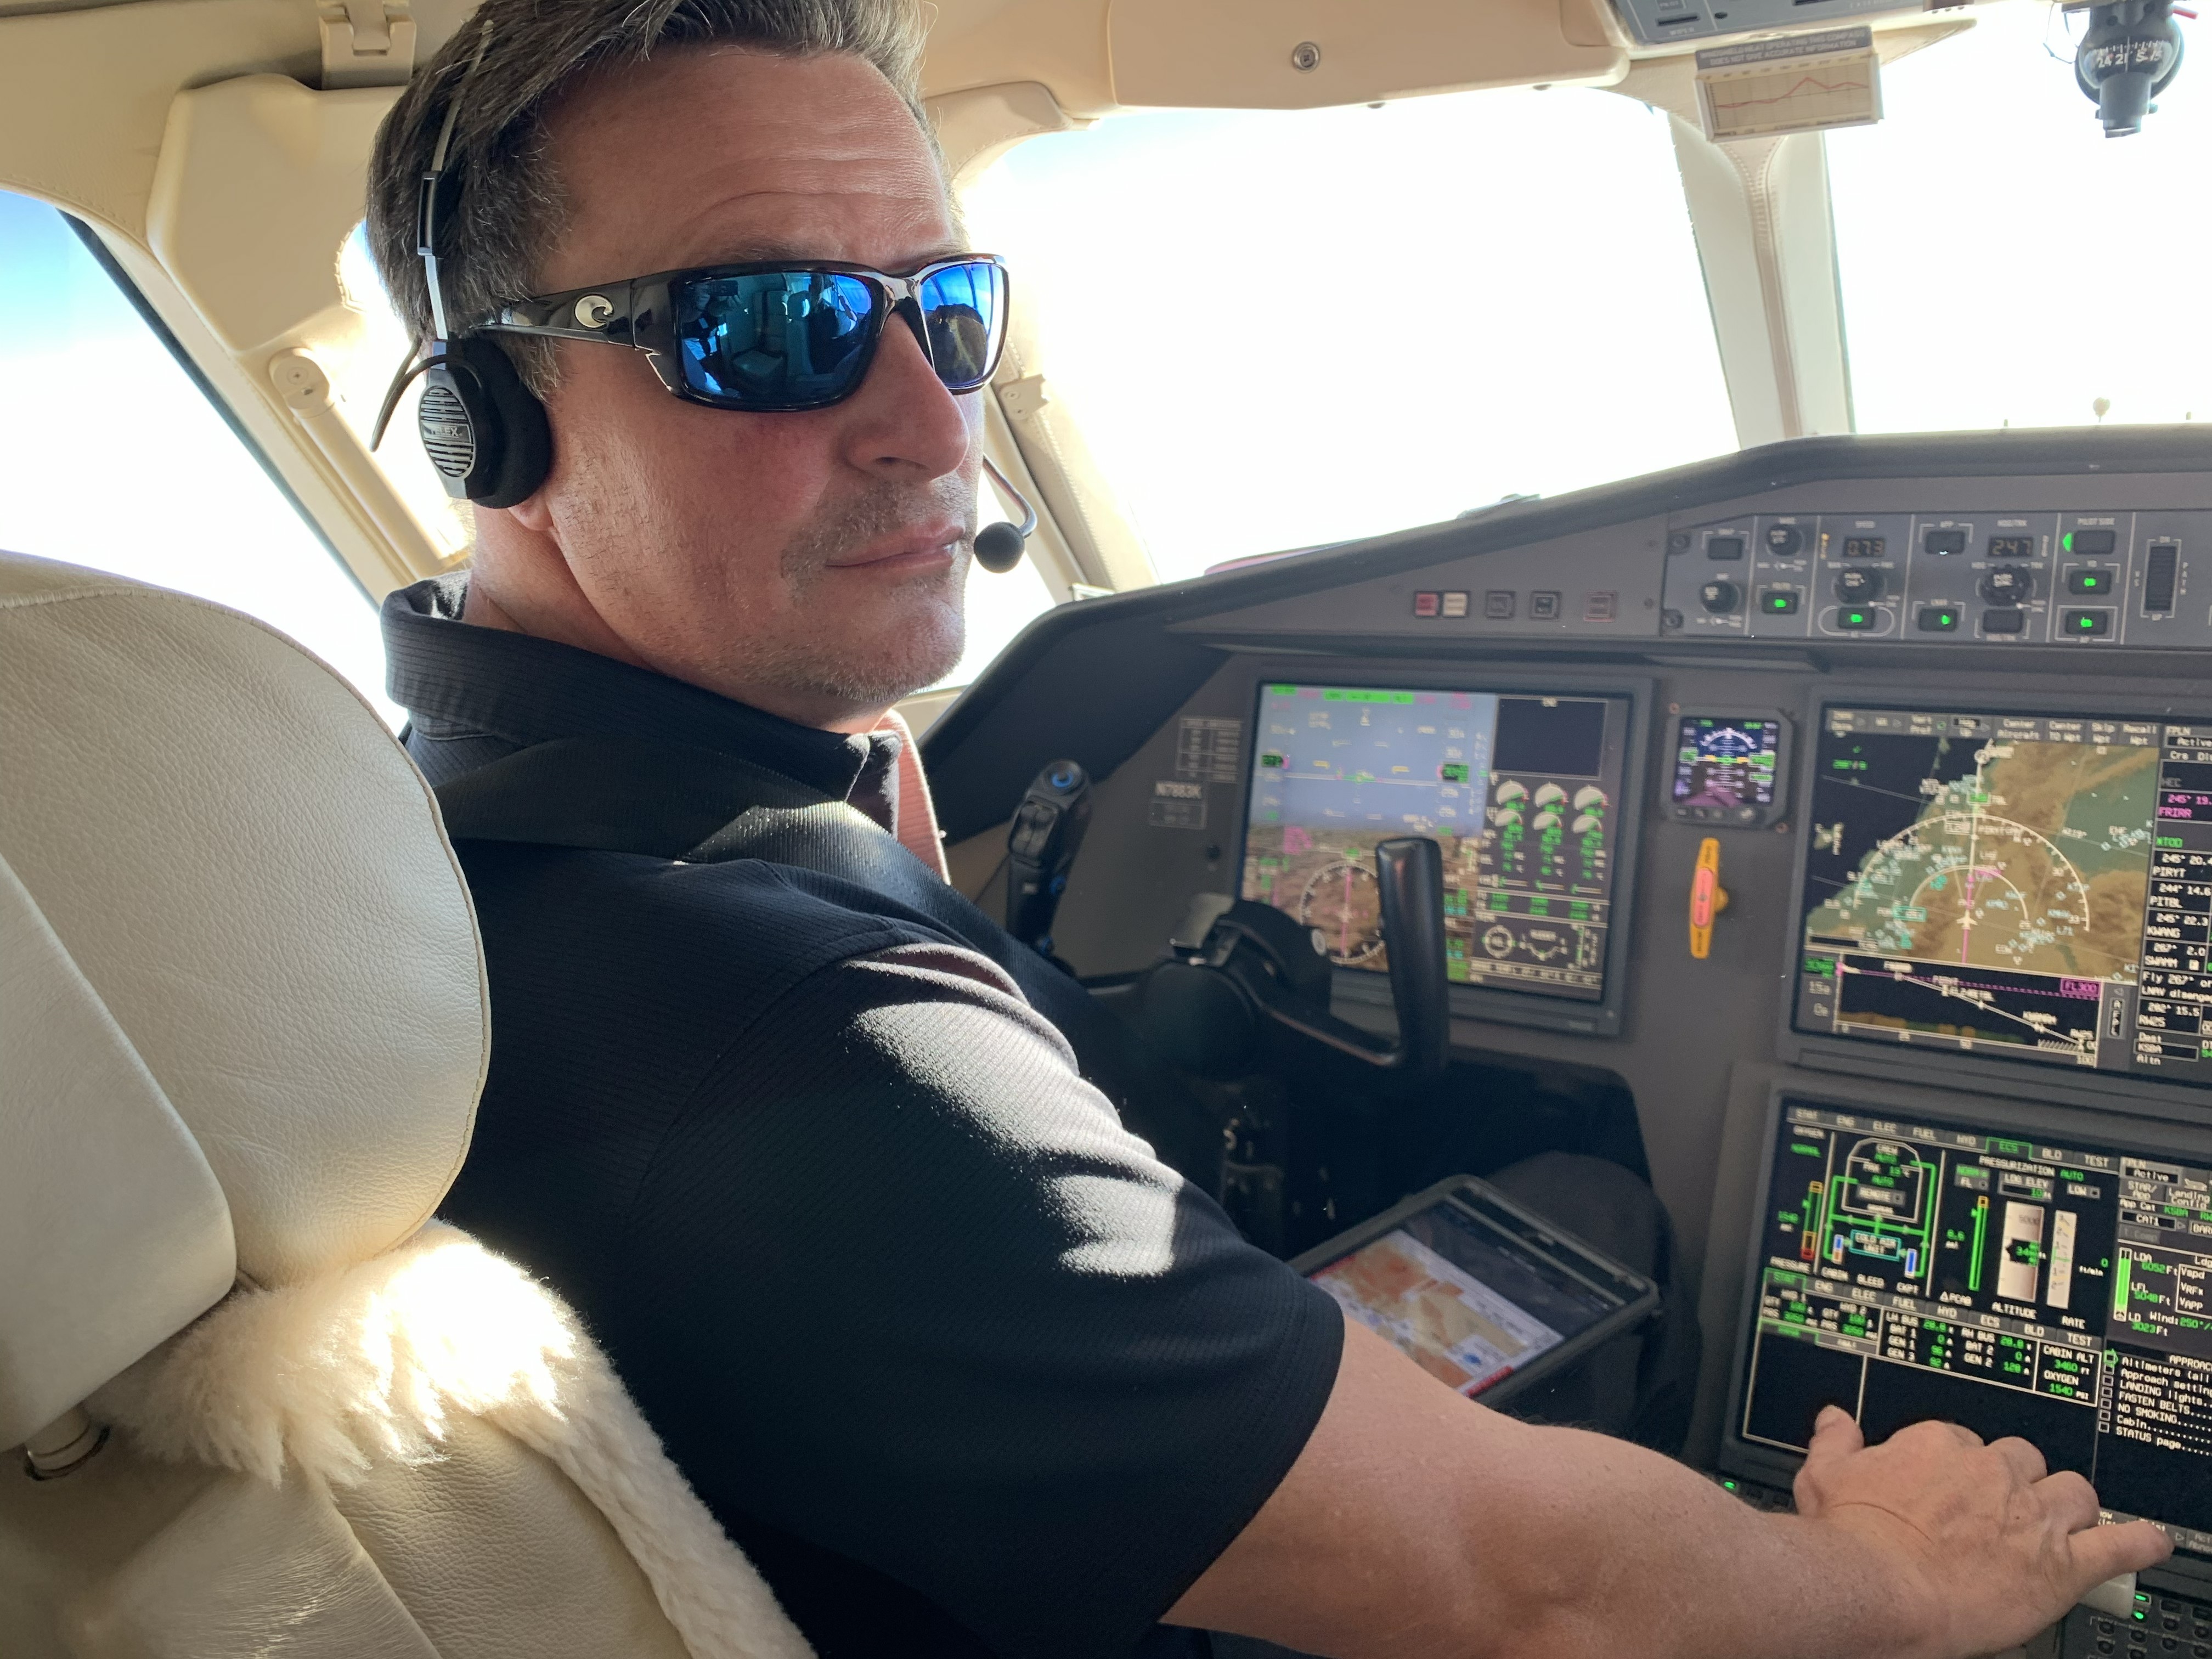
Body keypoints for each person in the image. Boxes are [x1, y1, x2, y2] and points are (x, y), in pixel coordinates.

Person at [363, 4, 2171, 1655]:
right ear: (490, 419)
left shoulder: (457, 834)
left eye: (948, 309)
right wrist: (1904, 1569)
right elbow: (1531, 1591)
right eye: (770, 328)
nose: (930, 423)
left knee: (1574, 1207)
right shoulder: (781, 1018)